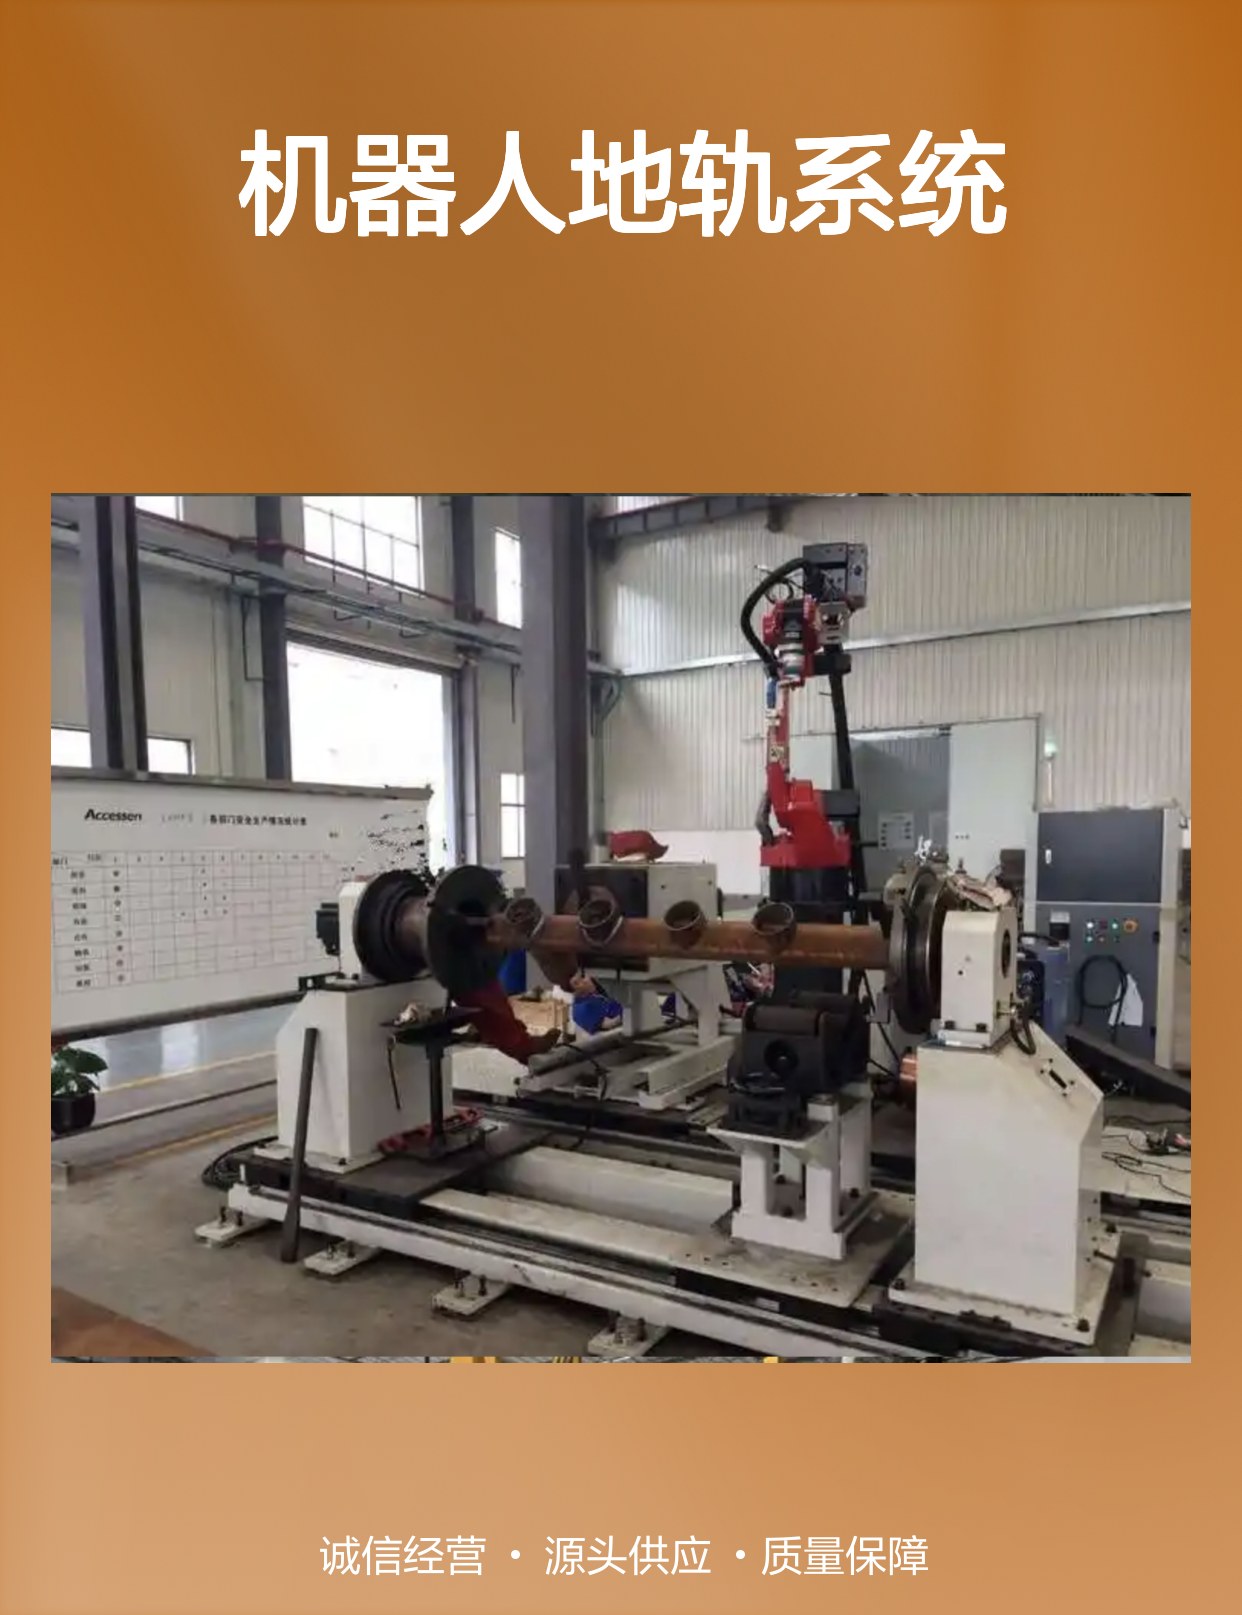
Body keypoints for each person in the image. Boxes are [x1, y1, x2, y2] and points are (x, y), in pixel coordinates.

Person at [569, 972, 625, 1037]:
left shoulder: (591, 996)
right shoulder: (583, 1008)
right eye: (582, 978)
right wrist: (627, 1015)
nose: (588, 977)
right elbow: (609, 1024)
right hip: (620, 1028)